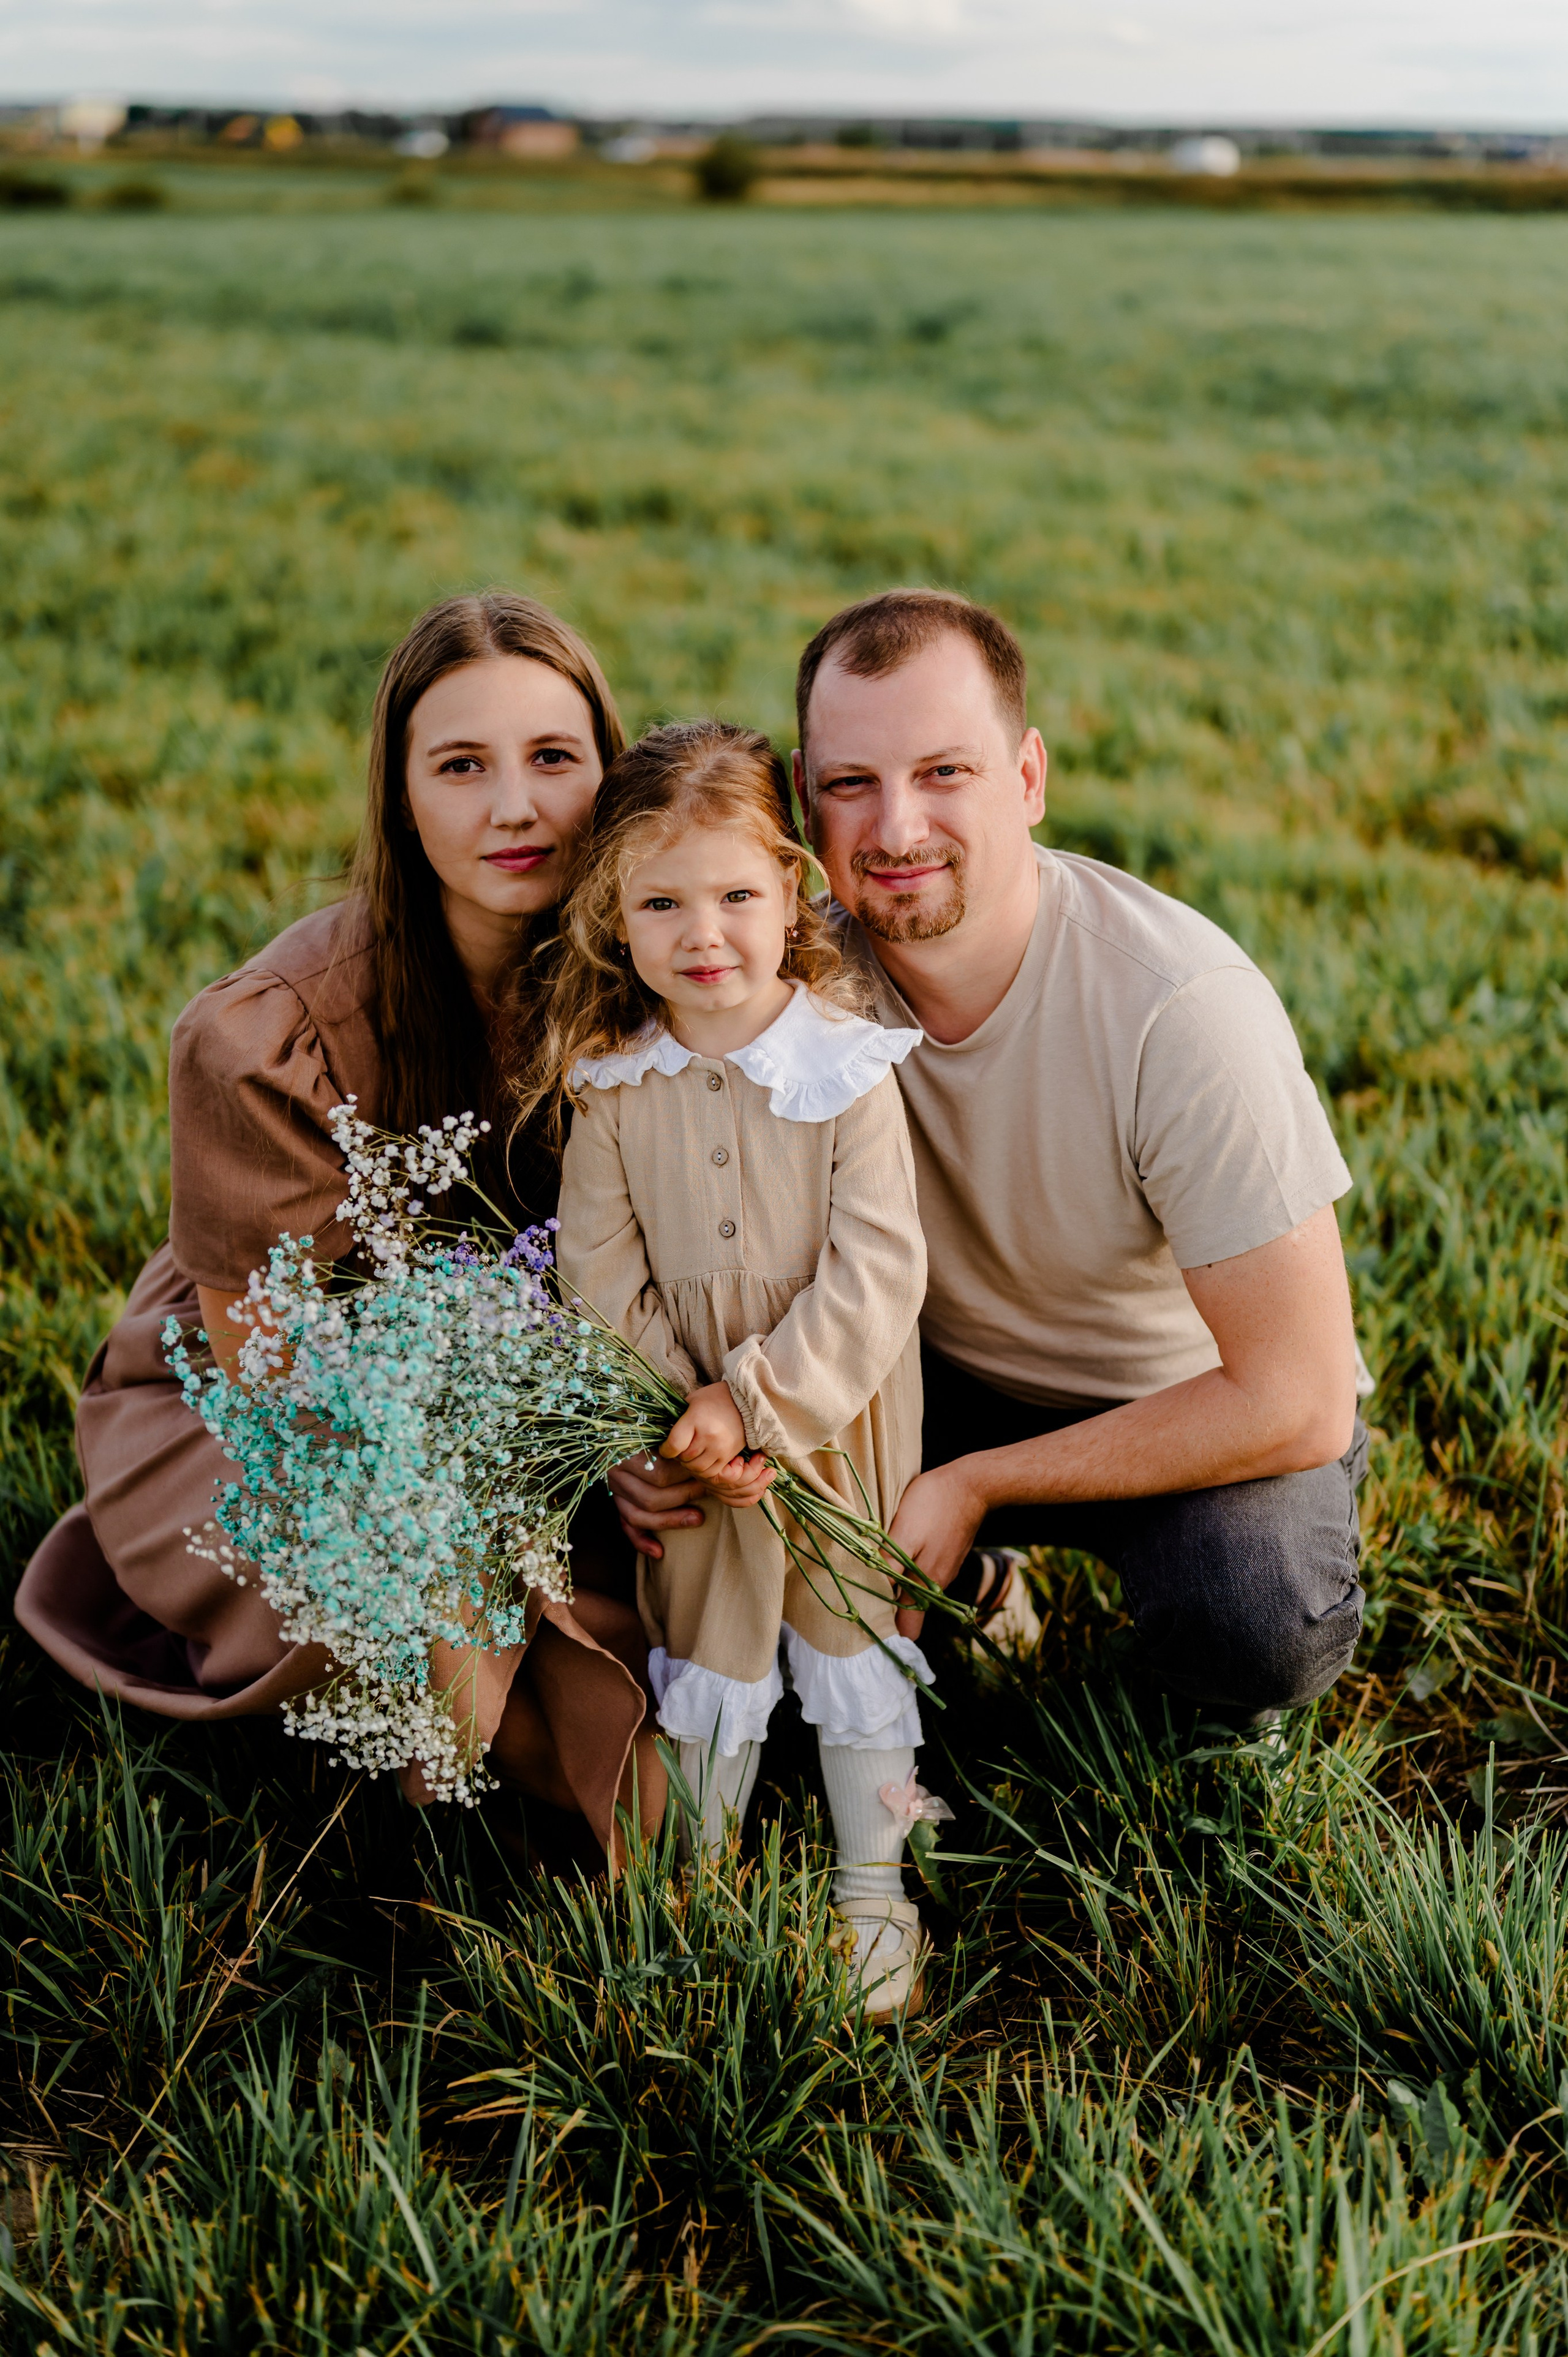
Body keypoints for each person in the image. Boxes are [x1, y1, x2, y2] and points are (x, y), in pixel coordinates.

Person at [612, 589, 1368, 1722]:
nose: (898, 829)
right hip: (918, 1375)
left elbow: (1299, 1397)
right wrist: (655, 1425)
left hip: (1176, 1406)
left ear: (1027, 778)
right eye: (850, 785)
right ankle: (965, 1583)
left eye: (945, 774)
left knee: (1256, 1616)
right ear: (805, 816)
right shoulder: (779, 981)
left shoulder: (1181, 1010)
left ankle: (1081, 1679)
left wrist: (978, 1484)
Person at [17, 591, 665, 1860]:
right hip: (287, 1417)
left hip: (573, 1392)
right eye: (461, 766)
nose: (514, 808)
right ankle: (550, 1790)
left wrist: (637, 1423)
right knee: (397, 1580)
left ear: (611, 771)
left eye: (552, 758)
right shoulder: (270, 1033)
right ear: (401, 794)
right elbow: (276, 1372)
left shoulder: (671, 969)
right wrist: (510, 1465)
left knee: (698, 1549)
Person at [526, 718, 932, 2013]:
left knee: (852, 1648)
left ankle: (875, 1886)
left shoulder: (847, 1070)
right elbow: (596, 1274)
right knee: (707, 1663)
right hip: (688, 1461)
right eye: (661, 901)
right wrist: (672, 1420)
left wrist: (754, 1402)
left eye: (736, 895)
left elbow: (875, 1277)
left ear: (793, 891)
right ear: (614, 917)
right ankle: (696, 1880)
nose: (703, 932)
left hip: (831, 1435)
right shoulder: (611, 1087)